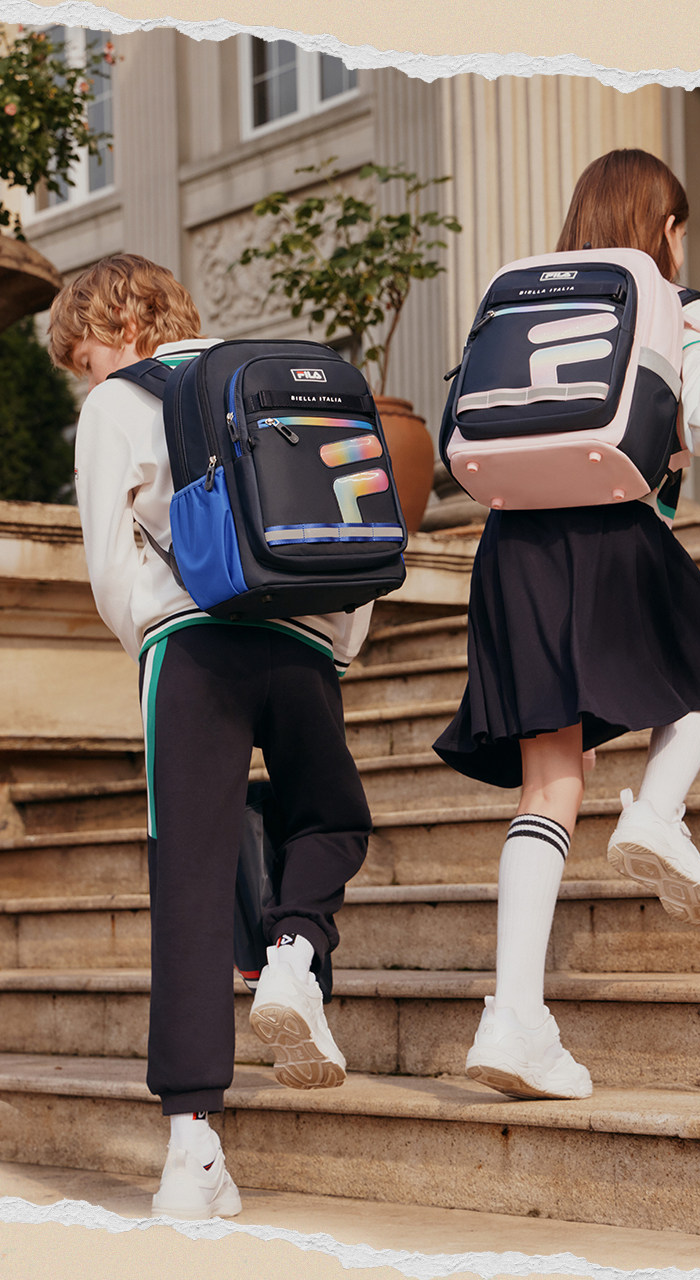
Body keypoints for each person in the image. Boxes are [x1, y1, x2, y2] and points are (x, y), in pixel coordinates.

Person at [433, 149, 700, 1103]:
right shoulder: (670, 302)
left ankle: (513, 1017)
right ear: (663, 227)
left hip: (512, 546)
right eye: (682, 229)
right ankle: (660, 814)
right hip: (610, 525)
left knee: (550, 782)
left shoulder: (525, 302)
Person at [48, 254, 373, 1219]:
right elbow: (349, 511)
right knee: (330, 818)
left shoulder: (118, 404)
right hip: (303, 633)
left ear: (115, 328)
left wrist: (151, 635)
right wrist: (337, 640)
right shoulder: (274, 378)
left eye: (83, 358)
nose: (86, 376)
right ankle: (294, 954)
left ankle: (192, 1149)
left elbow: (110, 563)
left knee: (189, 885)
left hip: (189, 648)